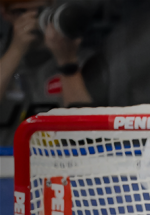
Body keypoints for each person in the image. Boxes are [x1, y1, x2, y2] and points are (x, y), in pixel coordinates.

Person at [0, 0, 106, 146]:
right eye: (21, 12)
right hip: (6, 161)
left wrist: (67, 62)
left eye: (39, 11)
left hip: (63, 161)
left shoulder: (82, 59)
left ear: (52, 7)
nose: (32, 20)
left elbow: (89, 135)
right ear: (4, 14)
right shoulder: (3, 56)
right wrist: (16, 50)